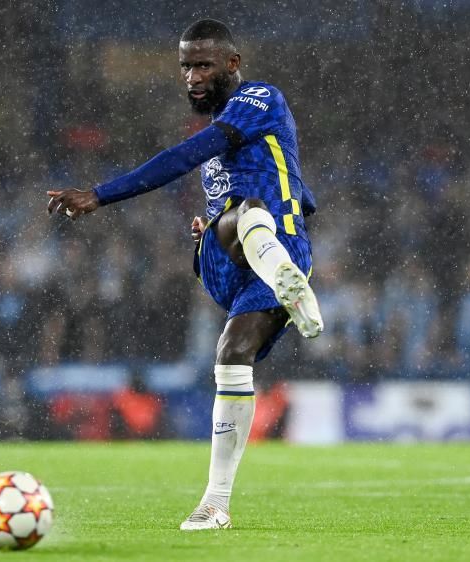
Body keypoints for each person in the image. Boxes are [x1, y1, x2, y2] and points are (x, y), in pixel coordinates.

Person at [46, 19, 324, 530]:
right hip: (225, 261)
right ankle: (275, 267)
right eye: (185, 67)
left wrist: (100, 195)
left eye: (203, 65)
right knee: (239, 216)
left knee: (232, 352)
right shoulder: (221, 129)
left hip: (276, 244)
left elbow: (187, 155)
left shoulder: (261, 98)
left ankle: (215, 503)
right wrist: (214, 225)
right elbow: (291, 190)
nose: (192, 77)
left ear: (232, 64)